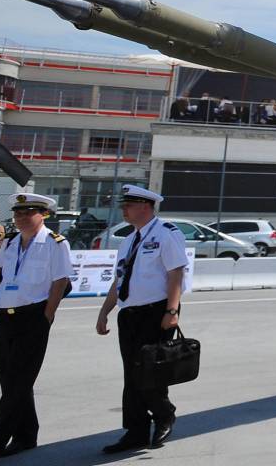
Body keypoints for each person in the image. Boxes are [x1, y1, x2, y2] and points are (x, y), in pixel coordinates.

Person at [0, 194, 73, 466]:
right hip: (6, 318)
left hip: (33, 319)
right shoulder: (13, 241)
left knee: (17, 384)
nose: (21, 218)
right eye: (17, 213)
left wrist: (47, 316)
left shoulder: (55, 244)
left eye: (28, 213)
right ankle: (27, 434)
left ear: (43, 215)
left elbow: (61, 281)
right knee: (11, 380)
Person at [95, 185, 187, 454]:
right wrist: (105, 311)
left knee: (150, 371)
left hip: (156, 312)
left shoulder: (167, 234)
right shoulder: (128, 240)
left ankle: (164, 414)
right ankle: (135, 431)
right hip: (130, 314)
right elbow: (120, 279)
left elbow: (176, 274)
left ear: (145, 206)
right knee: (131, 374)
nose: (123, 209)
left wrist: (172, 312)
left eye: (128, 205)